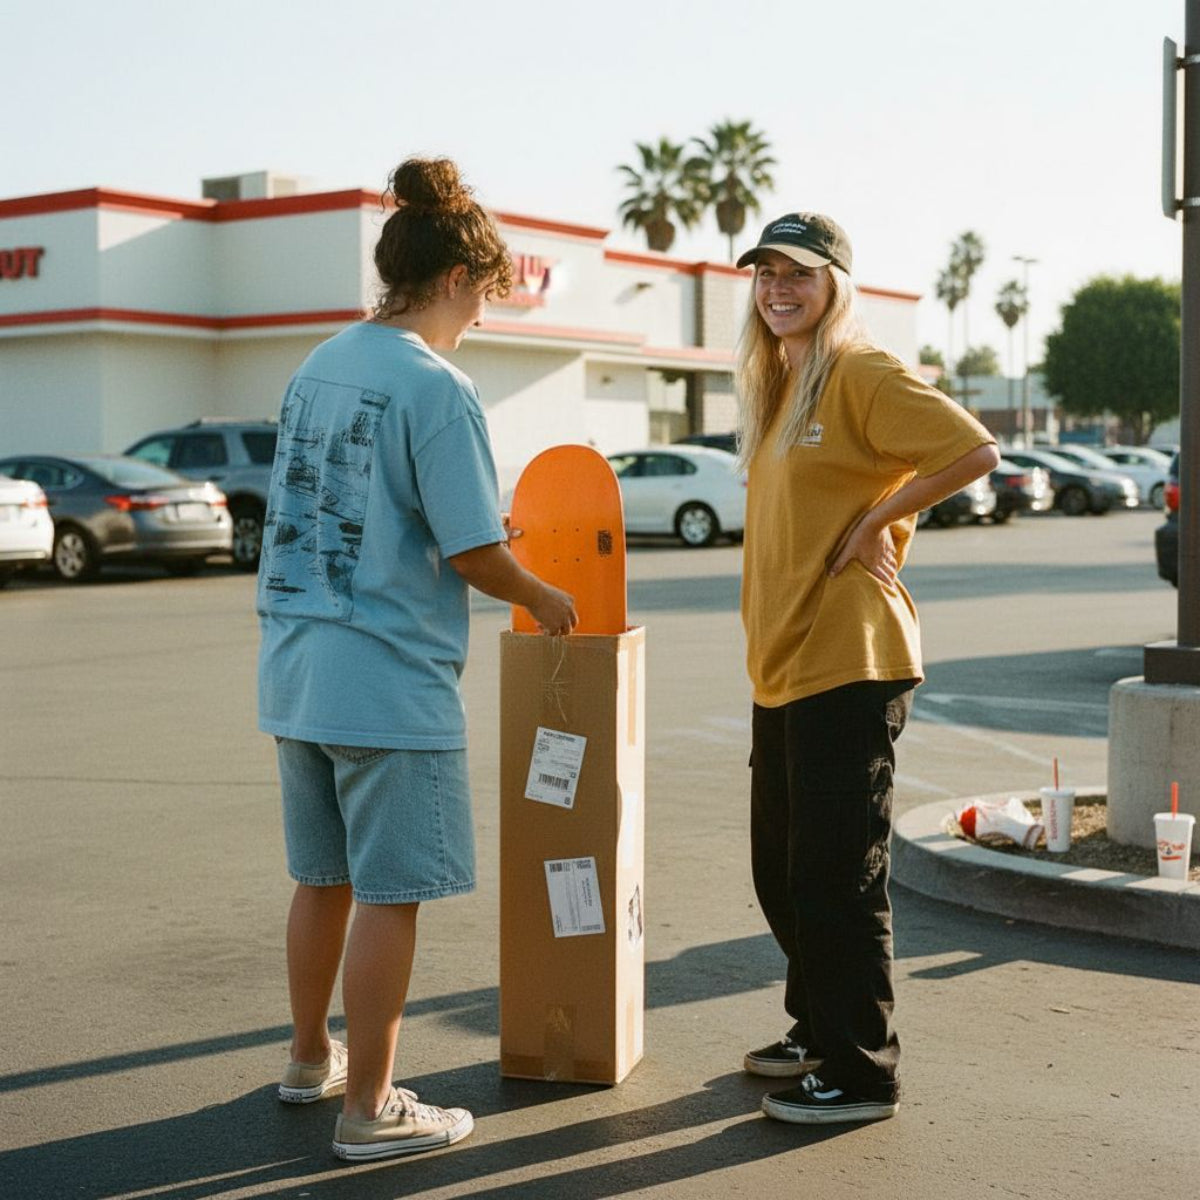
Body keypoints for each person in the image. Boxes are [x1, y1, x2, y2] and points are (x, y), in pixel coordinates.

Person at [257, 156, 577, 1163]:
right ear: (456, 282)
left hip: (296, 671)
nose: (485, 314)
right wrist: (543, 595)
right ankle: (374, 1110)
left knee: (322, 880)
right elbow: (476, 549)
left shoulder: (322, 362)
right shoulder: (437, 388)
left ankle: (314, 1061)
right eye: (488, 294)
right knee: (389, 895)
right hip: (389, 683)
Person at [733, 213, 999, 1125]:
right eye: (766, 273)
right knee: (783, 870)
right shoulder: (782, 382)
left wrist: (879, 516)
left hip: (852, 657)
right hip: (784, 666)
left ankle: (861, 1070)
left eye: (798, 274)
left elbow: (971, 448)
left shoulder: (857, 370)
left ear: (835, 284)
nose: (778, 288)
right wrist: (879, 507)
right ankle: (817, 1028)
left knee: (839, 876)